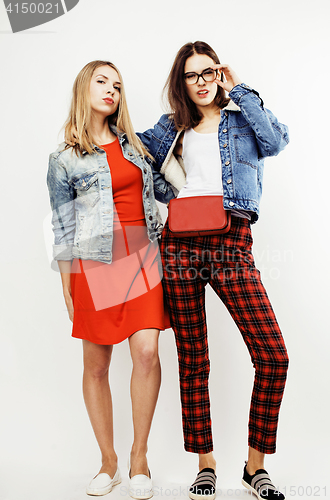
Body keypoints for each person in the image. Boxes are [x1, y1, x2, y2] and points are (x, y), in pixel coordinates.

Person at [138, 41, 289, 500]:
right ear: (180, 82)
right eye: (192, 75)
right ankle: (206, 465)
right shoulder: (171, 127)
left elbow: (277, 140)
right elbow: (130, 152)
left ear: (220, 74)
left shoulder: (243, 118)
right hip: (178, 246)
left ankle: (254, 467)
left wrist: (240, 87)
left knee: (273, 357)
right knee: (194, 359)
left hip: (231, 239)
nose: (202, 82)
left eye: (210, 72)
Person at [47, 60, 174, 498]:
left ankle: (139, 459)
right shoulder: (64, 159)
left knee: (147, 353)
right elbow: (61, 226)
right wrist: (66, 284)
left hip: (142, 256)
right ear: (85, 88)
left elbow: (168, 188)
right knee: (96, 365)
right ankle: (109, 462)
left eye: (117, 86)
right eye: (102, 82)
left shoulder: (137, 148)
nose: (111, 90)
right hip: (94, 262)